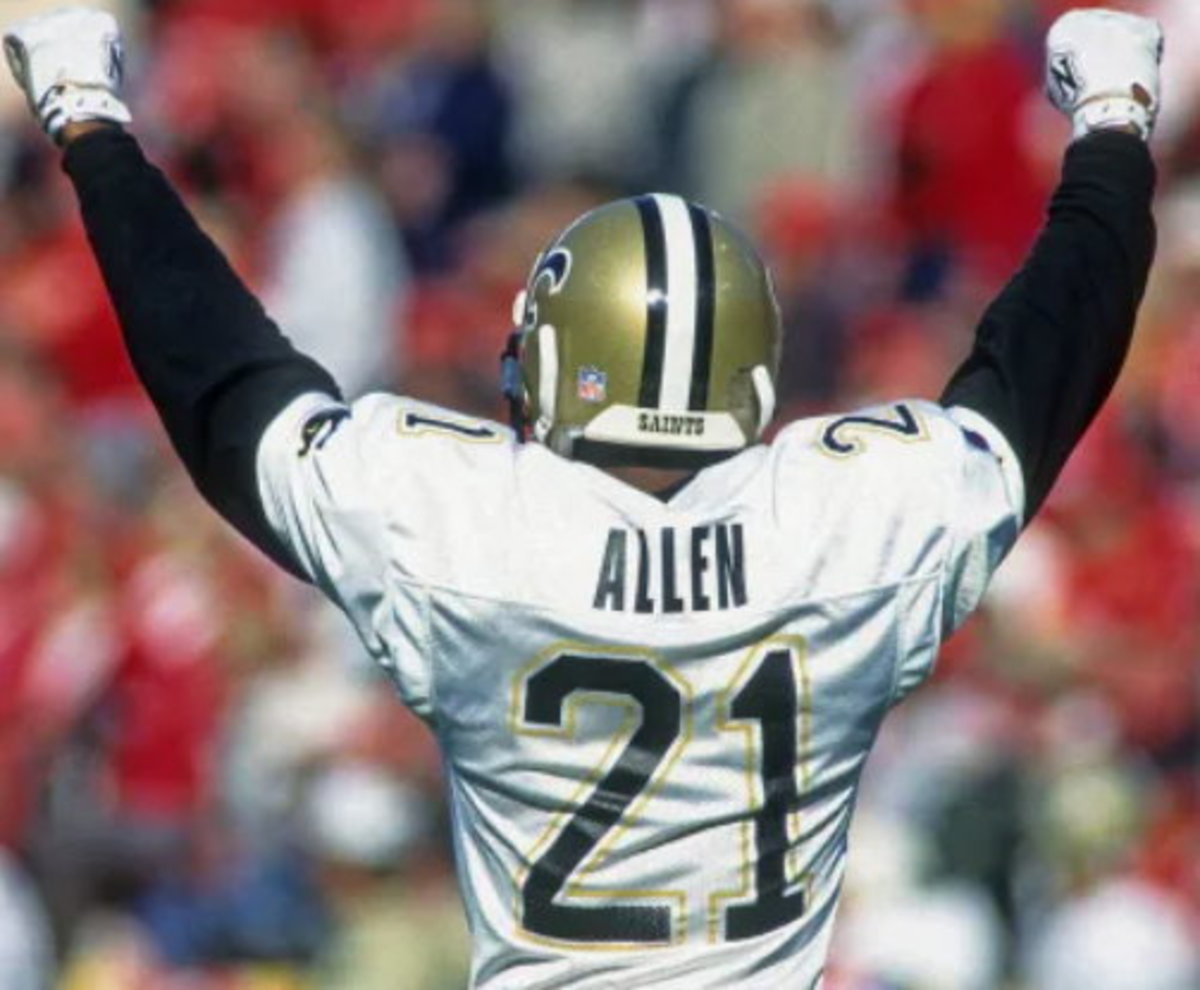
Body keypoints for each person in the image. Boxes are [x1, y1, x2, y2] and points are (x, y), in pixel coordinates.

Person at [2, 7, 1161, 988]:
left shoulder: (463, 522)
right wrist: (1113, 127)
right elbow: (1039, 368)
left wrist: (91, 126)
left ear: (557, 364)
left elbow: (228, 387)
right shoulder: (850, 519)